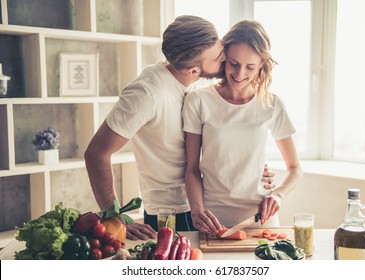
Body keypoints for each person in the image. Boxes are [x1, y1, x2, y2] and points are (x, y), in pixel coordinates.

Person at [84, 16, 275, 240]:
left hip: (206, 204)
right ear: (193, 70)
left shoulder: (194, 78)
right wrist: (114, 217)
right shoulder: (146, 94)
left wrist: (253, 167)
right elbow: (96, 153)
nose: (225, 59)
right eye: (218, 57)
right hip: (171, 212)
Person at [182, 19, 303, 234]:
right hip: (212, 220)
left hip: (261, 218)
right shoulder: (198, 100)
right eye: (234, 63)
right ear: (223, 60)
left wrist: (278, 194)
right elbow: (191, 168)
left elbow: (294, 169)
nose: (239, 74)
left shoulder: (272, 104)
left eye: (250, 67)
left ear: (261, 66)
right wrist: (197, 210)